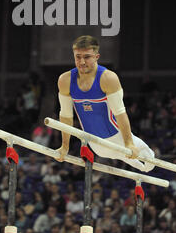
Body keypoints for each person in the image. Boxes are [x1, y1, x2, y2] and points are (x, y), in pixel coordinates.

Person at [55, 35, 155, 172]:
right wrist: (65, 146)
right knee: (123, 157)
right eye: (78, 57)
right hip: (95, 144)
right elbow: (66, 116)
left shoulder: (108, 78)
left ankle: (141, 166)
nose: (82, 61)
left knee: (150, 163)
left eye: (87, 57)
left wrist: (129, 143)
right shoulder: (65, 80)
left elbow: (120, 113)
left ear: (97, 57)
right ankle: (132, 162)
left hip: (118, 138)